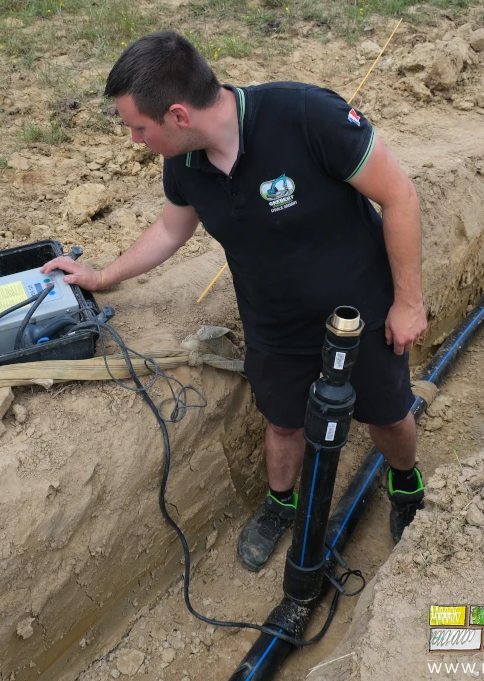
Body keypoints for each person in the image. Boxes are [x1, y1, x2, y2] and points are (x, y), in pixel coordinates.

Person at [41, 30, 428, 572]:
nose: (134, 139)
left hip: (359, 311)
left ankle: (406, 484)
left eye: (138, 127)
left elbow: (399, 195)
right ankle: (280, 504)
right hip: (273, 322)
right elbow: (171, 230)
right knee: (283, 423)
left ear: (178, 114)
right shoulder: (186, 161)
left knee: (386, 414)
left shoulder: (306, 116)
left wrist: (408, 302)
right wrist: (101, 275)